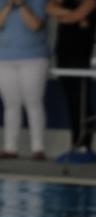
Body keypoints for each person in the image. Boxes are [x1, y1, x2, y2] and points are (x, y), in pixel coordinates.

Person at [47, 0, 96, 160]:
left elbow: (76, 15)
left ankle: (85, 144)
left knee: (81, 100)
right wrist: (70, 14)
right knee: (71, 101)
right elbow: (50, 7)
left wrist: (68, 15)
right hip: (63, 51)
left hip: (81, 53)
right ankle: (75, 143)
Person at [0, 0, 48, 160]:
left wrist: (21, 5)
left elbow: (35, 25)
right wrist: (8, 6)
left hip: (33, 58)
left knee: (33, 103)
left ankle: (38, 147)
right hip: (4, 58)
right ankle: (10, 147)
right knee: (11, 104)